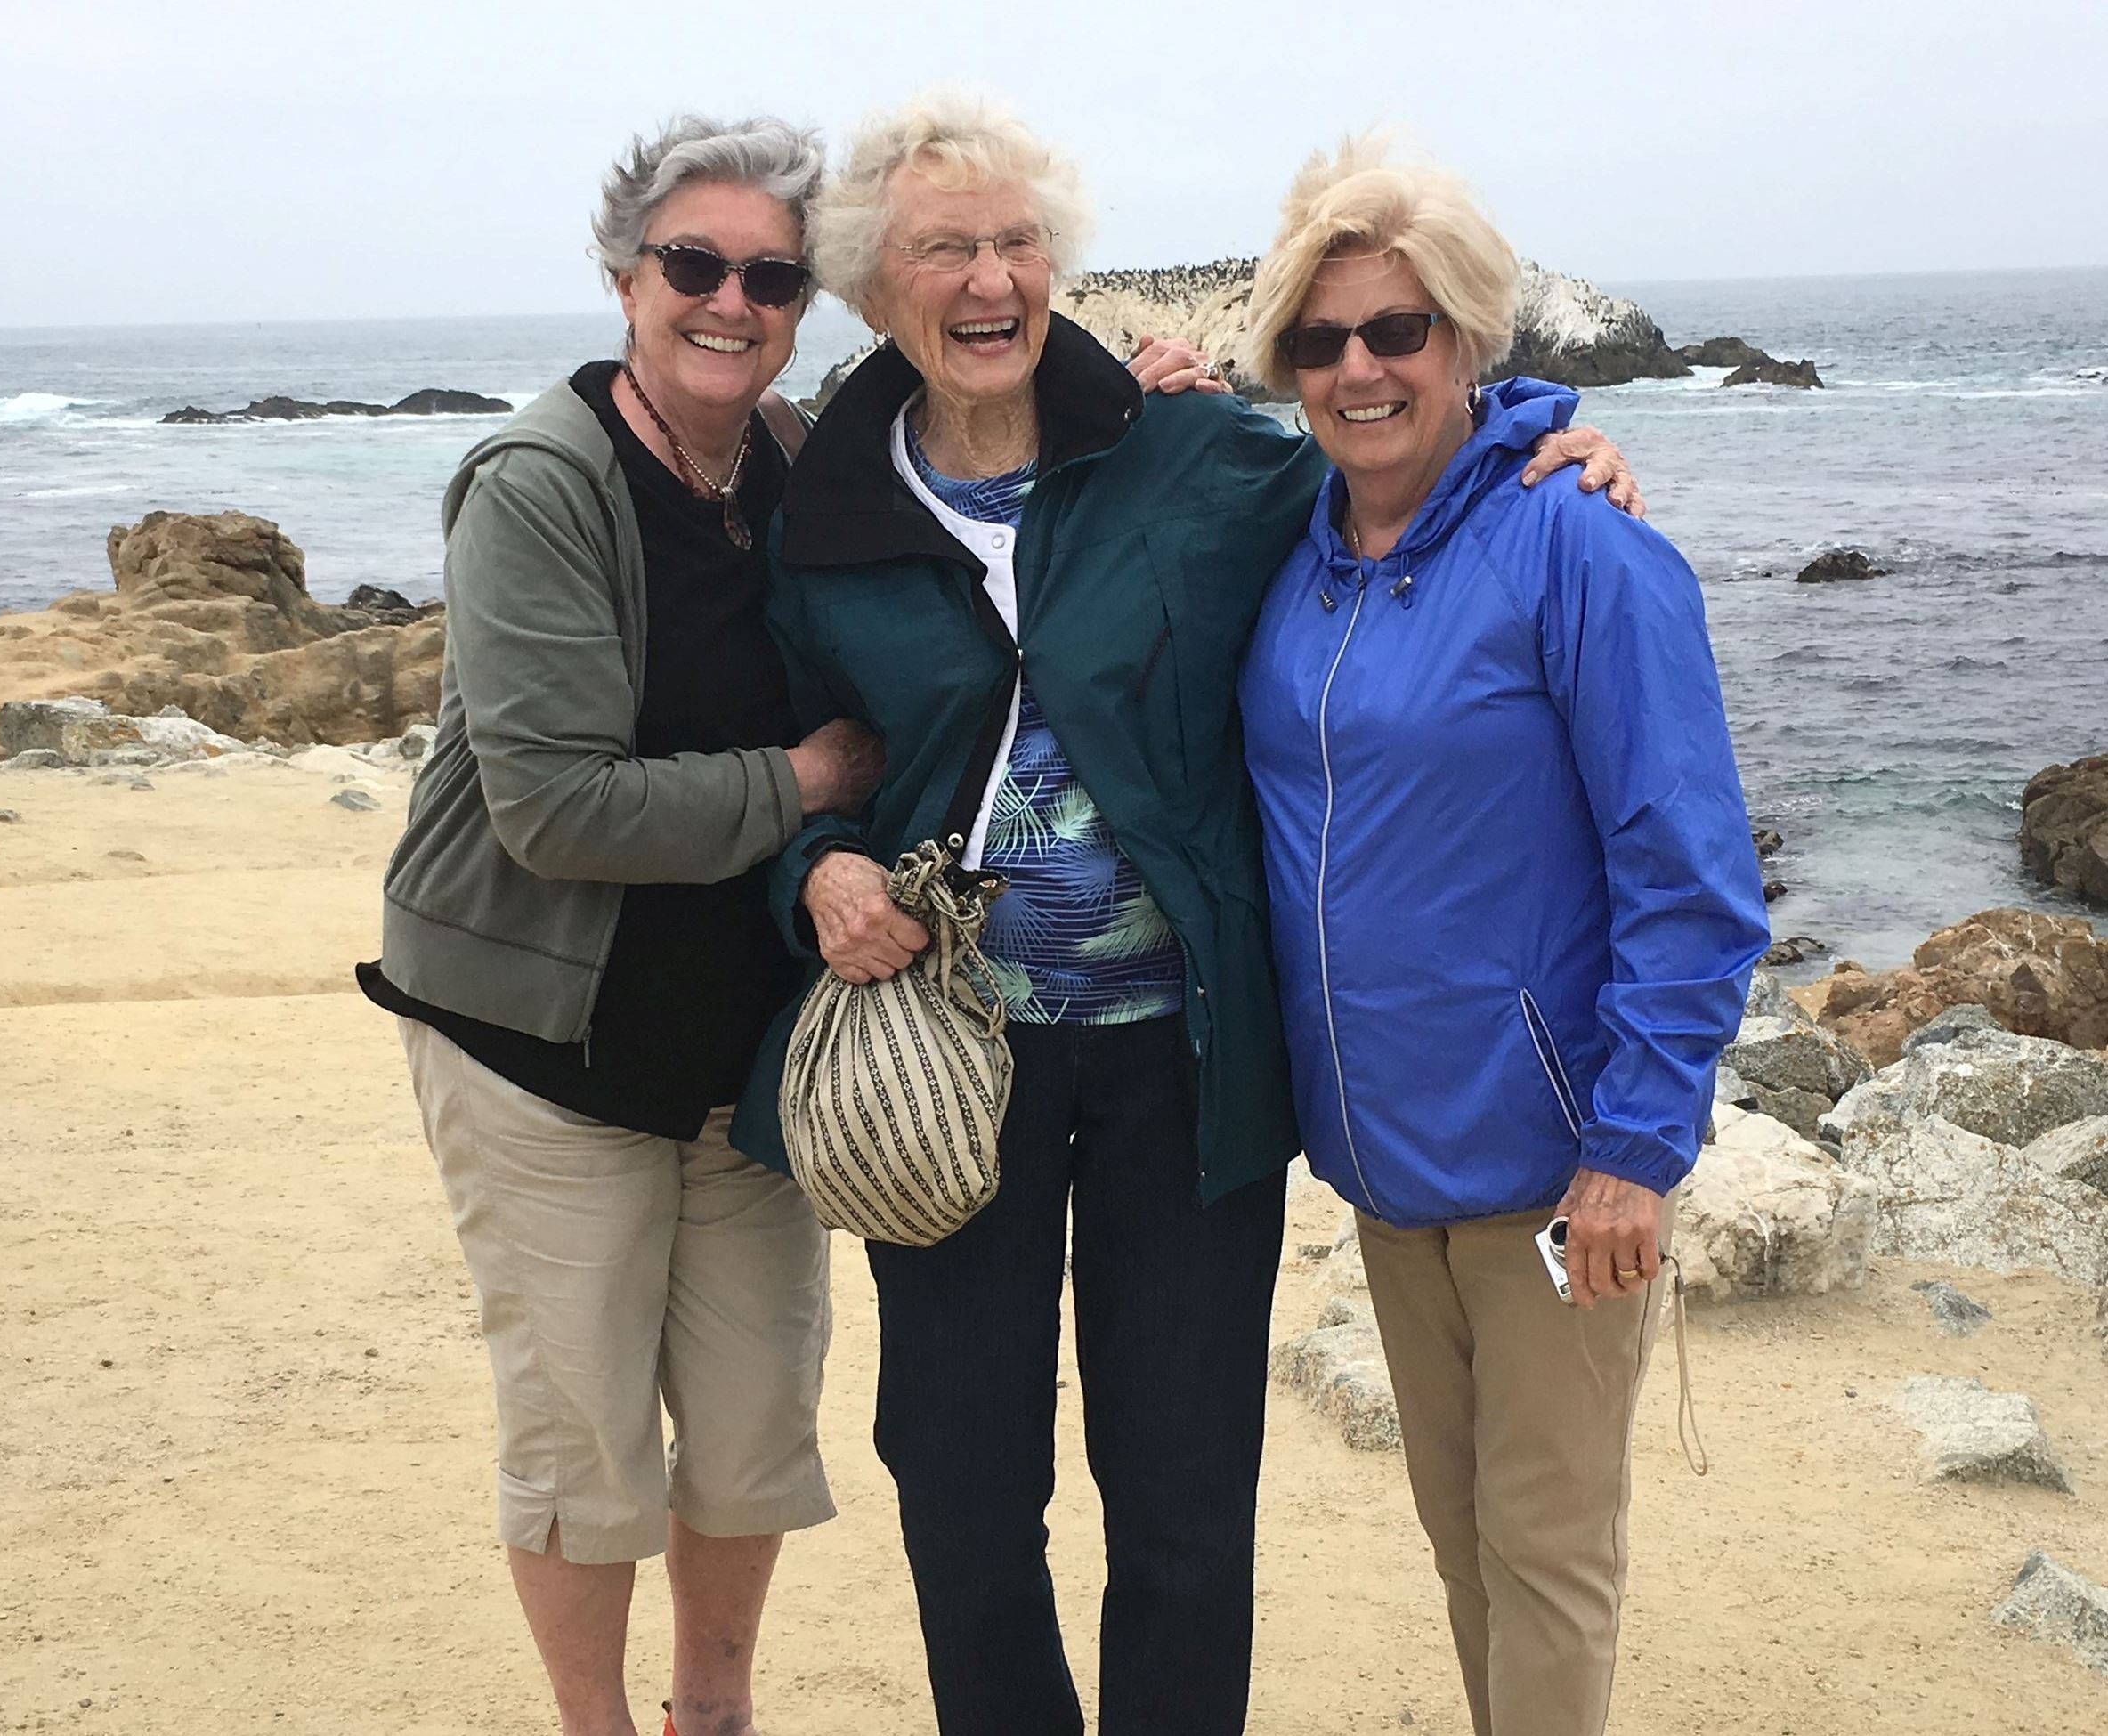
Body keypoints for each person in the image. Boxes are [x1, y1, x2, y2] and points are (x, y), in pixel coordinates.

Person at [729, 93, 1638, 1736]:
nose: (993, 274)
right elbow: (814, 771)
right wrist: (824, 869)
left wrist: (1548, 435)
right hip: (957, 1061)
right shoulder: (828, 522)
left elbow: (1392, 454)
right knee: (960, 1484)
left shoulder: (1194, 457)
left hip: (1183, 1064)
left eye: (1020, 241)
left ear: (1058, 266)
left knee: (1186, 1496)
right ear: (877, 289)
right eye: (948, 247)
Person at [355, 115, 883, 1736]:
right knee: (586, 1445)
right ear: (624, 275)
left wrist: (1520, 431)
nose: (732, 299)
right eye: (694, 264)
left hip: (745, 1054)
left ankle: (710, 1713)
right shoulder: (538, 481)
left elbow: (1003, 480)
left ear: (806, 301)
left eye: (772, 275)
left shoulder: (795, 463)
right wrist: (801, 785)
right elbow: (559, 809)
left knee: (746, 1434)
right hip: (541, 1043)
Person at [1236, 135, 1771, 1736]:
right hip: (1387, 1165)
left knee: (1545, 1557)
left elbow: (1693, 875)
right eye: (1322, 340)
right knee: (1463, 1543)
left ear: (1471, 342)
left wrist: (1635, 1145)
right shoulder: (1300, 551)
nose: (1360, 367)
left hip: (1557, 1168)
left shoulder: (1582, 543)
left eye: (1399, 330)